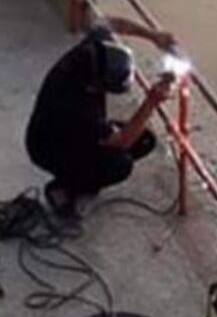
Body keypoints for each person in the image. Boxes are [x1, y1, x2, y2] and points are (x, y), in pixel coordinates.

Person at [25, 16, 177, 216]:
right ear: (96, 85)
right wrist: (152, 102)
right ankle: (64, 187)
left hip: (65, 130)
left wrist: (153, 35)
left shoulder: (94, 51)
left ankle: (82, 174)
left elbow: (108, 23)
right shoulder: (78, 108)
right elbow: (121, 142)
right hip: (47, 147)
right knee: (120, 164)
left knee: (144, 140)